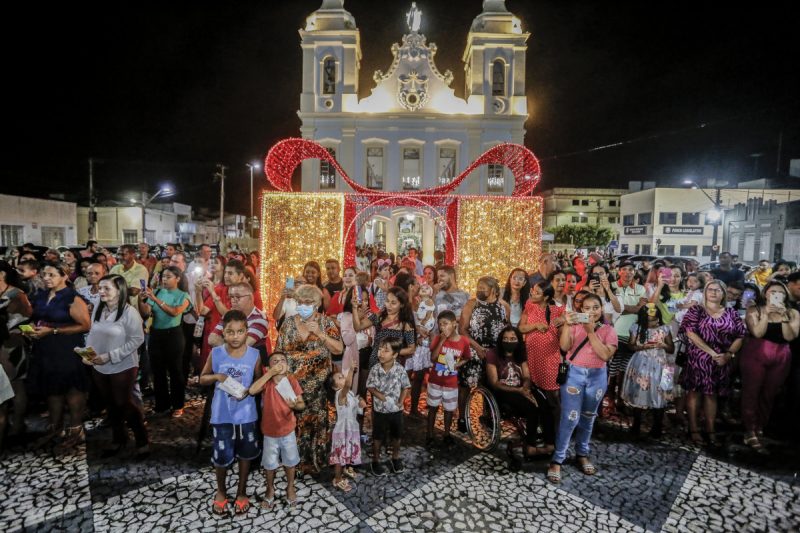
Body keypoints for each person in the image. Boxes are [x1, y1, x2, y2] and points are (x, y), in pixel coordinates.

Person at [547, 293, 618, 483]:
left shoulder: (608, 330)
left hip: (597, 377)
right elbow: (564, 347)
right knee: (569, 417)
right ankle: (558, 458)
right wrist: (568, 326)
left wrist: (591, 332)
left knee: (588, 417)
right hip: (574, 375)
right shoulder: (575, 326)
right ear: (581, 310)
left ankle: (582, 453)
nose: (591, 311)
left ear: (601, 309)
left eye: (595, 307)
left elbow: (604, 355)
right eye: (587, 308)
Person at [199, 310, 262, 515]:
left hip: (246, 414)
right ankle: (221, 491)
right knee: (221, 454)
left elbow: (259, 381)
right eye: (230, 332)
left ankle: (241, 491)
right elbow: (202, 378)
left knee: (246, 454)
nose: (235, 336)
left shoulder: (254, 355)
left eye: (240, 331)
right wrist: (218, 376)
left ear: (247, 332)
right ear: (223, 333)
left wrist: (253, 389)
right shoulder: (216, 353)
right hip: (222, 414)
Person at [275, 284, 343, 475]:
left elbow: (339, 349)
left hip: (318, 387)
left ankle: (314, 460)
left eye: (308, 302)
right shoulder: (288, 324)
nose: (304, 305)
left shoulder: (326, 323)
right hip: (293, 387)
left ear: (317, 304)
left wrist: (321, 335)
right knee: (293, 424)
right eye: (300, 302)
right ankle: (292, 462)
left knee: (317, 422)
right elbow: (278, 353)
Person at [24, 263, 92, 449]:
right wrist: (31, 329)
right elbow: (35, 316)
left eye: (52, 274)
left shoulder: (72, 297)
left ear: (64, 276)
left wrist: (53, 330)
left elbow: (85, 325)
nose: (47, 278)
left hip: (66, 347)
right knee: (52, 388)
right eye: (45, 274)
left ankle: (76, 431)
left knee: (72, 388)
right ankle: (55, 428)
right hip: (45, 348)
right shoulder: (41, 295)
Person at [82, 274, 148, 457]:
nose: (101, 292)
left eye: (106, 288)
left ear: (120, 291)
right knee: (110, 404)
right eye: (100, 288)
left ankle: (141, 438)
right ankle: (119, 438)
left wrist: (111, 355)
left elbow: (137, 339)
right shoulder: (98, 307)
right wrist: (89, 353)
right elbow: (93, 333)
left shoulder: (129, 312)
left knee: (124, 402)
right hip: (99, 365)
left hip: (123, 365)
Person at [679, 279, 747, 447]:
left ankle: (710, 429)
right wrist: (712, 353)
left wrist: (728, 354)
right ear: (705, 292)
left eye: (718, 289)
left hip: (722, 360)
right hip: (698, 357)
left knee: (712, 394)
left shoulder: (731, 312)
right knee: (694, 392)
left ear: (724, 293)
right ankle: (694, 428)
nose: (714, 292)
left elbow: (740, 335)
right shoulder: (697, 310)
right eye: (710, 289)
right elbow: (690, 333)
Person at [740, 281, 799, 452]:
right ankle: (749, 430)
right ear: (765, 294)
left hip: (782, 354)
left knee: (770, 393)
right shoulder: (755, 310)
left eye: (780, 293)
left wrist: (783, 318)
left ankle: (760, 426)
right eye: (772, 292)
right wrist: (767, 313)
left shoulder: (793, 312)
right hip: (756, 352)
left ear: (785, 295)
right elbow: (757, 332)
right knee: (751, 391)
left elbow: (790, 336)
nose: (776, 295)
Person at [249, 351, 304, 510]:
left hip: (288, 430)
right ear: (268, 367)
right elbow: (252, 391)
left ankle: (290, 487)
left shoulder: (292, 381)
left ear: (287, 366)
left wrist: (295, 406)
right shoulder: (267, 383)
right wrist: (269, 374)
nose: (279, 362)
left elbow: (301, 404)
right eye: (274, 361)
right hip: (269, 432)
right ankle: (270, 488)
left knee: (290, 461)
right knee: (269, 463)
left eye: (282, 360)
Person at [137, 266, 192, 417]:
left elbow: (174, 312)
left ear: (178, 279)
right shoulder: (158, 292)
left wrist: (154, 299)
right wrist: (141, 300)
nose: (164, 279)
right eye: (163, 277)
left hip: (173, 335)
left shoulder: (183, 295)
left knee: (175, 371)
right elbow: (146, 314)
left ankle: (178, 404)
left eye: (168, 276)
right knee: (157, 371)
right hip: (156, 334)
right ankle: (162, 404)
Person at [518, 280, 565, 453]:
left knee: (552, 396)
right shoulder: (530, 305)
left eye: (537, 292)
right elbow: (521, 328)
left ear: (546, 296)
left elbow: (563, 337)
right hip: (532, 357)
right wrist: (535, 326)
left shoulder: (558, 311)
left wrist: (564, 321)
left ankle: (558, 433)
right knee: (537, 395)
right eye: (533, 290)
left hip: (549, 359)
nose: (533, 293)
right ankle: (540, 428)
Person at [458, 276, 509, 431]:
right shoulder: (471, 304)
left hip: (495, 353)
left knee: (492, 385)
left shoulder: (503, 306)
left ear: (493, 289)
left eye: (483, 287)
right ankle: (462, 418)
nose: (479, 289)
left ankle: (488, 415)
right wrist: (478, 348)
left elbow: (507, 330)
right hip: (474, 350)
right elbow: (462, 329)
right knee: (466, 385)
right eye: (478, 286)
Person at [486, 325, 543, 458]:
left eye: (512, 338)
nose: (509, 341)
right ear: (500, 340)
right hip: (503, 391)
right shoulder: (493, 354)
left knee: (544, 404)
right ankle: (531, 446)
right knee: (532, 408)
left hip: (521, 388)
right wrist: (519, 391)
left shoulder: (520, 353)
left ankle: (549, 442)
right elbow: (495, 383)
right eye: (505, 338)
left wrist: (526, 388)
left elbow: (527, 376)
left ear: (518, 340)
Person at [621, 304, 675, 438]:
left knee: (661, 393)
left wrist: (663, 345)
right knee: (639, 391)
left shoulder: (665, 329)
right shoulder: (636, 328)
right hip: (641, 362)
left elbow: (671, 349)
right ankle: (636, 425)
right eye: (649, 312)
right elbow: (631, 346)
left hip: (661, 364)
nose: (653, 321)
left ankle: (657, 426)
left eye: (654, 312)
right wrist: (643, 346)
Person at [425, 311, 470, 448]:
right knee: (432, 408)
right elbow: (433, 358)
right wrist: (442, 340)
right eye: (440, 324)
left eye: (445, 323)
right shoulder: (438, 338)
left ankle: (446, 434)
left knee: (449, 410)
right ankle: (430, 434)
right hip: (435, 381)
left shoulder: (463, 341)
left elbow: (467, 357)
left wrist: (457, 365)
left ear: (454, 324)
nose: (442, 327)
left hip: (451, 383)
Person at [366, 338, 411, 476]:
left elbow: (406, 387)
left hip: (396, 411)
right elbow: (370, 386)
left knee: (396, 436)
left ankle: (395, 458)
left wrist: (401, 401)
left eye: (386, 350)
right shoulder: (375, 369)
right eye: (380, 349)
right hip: (379, 410)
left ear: (395, 354)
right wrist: (382, 397)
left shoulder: (400, 370)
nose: (381, 353)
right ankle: (375, 460)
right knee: (378, 436)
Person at [607, 261, 647, 415]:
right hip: (614, 333)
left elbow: (641, 310)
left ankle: (620, 399)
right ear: (619, 271)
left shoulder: (640, 288)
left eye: (631, 269)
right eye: (624, 269)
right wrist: (633, 308)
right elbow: (614, 309)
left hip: (632, 335)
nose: (628, 272)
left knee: (624, 369)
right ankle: (610, 400)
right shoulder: (611, 286)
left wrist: (624, 308)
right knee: (613, 368)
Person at [0, 261, 32, 439]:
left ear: (2, 274)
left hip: (12, 346)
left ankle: (18, 423)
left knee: (15, 385)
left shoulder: (16, 294)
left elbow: (25, 319)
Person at [352, 286, 416, 369]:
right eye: (387, 301)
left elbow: (411, 349)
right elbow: (357, 327)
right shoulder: (379, 316)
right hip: (375, 363)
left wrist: (392, 351)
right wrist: (354, 308)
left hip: (393, 367)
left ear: (402, 305)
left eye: (393, 303)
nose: (388, 305)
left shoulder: (406, 325)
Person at [208, 282, 270, 364]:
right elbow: (212, 339)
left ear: (250, 297)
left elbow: (243, 346)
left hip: (251, 369)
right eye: (231, 297)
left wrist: (224, 342)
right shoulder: (230, 315)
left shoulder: (260, 319)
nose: (233, 300)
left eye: (238, 297)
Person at [325, 364, 365, 493]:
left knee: (349, 449)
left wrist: (360, 403)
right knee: (339, 456)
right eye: (340, 378)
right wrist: (351, 370)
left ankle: (347, 469)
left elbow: (356, 408)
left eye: (343, 376)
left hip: (352, 428)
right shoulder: (339, 395)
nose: (343, 379)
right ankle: (337, 478)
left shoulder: (350, 394)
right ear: (334, 386)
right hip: (342, 430)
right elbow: (347, 385)